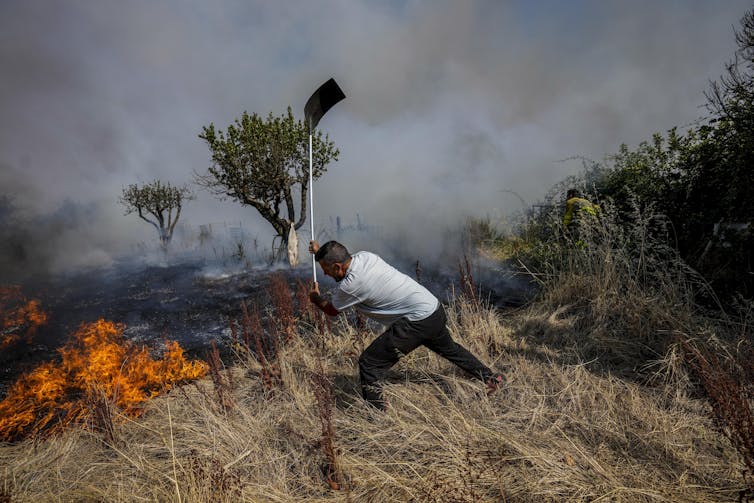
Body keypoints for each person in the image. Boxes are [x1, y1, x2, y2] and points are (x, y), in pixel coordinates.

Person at [308, 240, 504, 410]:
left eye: (326, 270)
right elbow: (338, 255)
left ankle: (375, 415)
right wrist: (319, 253)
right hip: (432, 308)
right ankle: (491, 377)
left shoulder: (350, 285)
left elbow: (332, 311)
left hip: (416, 321)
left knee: (369, 363)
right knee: (450, 349)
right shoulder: (365, 257)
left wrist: (315, 298)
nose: (325, 275)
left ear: (337, 267)